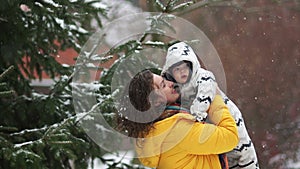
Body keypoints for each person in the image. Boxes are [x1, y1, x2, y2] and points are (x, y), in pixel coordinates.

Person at [161, 41, 259, 168]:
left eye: (185, 67)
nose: (182, 72)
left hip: (229, 115)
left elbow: (205, 94)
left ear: (192, 65)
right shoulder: (176, 88)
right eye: (177, 69)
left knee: (243, 151)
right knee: (227, 155)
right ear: (170, 72)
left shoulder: (202, 77)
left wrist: (197, 114)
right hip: (213, 124)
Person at [117, 69, 239, 169]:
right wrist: (214, 97)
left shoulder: (155, 129)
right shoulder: (177, 130)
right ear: (155, 102)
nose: (171, 84)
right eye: (163, 85)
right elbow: (230, 137)